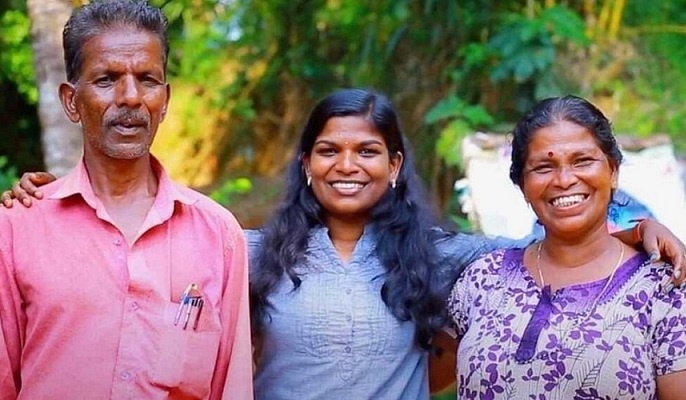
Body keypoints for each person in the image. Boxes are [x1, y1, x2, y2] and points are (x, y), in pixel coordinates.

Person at [4, 89, 686, 400]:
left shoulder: (443, 256)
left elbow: (553, 238)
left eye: (368, 150)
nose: (347, 164)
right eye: (328, 150)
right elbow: (149, 237)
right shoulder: (244, 248)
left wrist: (637, 225)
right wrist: (57, 197)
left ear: (395, 167)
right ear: (306, 163)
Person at [0, 1, 253, 399]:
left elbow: (231, 387)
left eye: (148, 79)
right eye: (107, 78)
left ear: (165, 100)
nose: (131, 97)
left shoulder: (218, 235)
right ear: (71, 101)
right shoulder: (18, 227)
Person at [447, 95, 686, 399]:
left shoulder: (664, 288)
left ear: (613, 172)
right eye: (544, 167)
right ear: (523, 185)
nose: (564, 179)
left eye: (582, 161)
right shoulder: (481, 280)